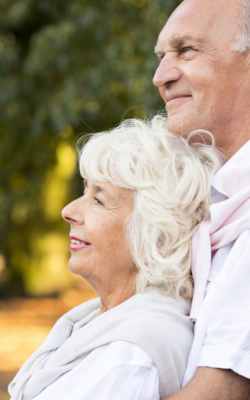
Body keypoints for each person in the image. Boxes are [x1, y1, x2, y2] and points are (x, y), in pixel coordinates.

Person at [8, 116, 221, 400]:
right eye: (85, 191)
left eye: (99, 200)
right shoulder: (99, 319)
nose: (68, 210)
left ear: (155, 233)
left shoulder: (131, 356)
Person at [153, 0, 250, 398]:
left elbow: (218, 392)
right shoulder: (208, 204)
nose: (161, 76)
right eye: (160, 57)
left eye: (186, 49)